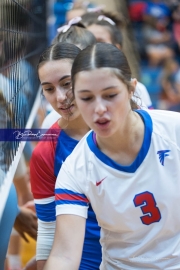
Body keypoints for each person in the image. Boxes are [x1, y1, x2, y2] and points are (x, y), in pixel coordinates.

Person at [44, 43, 180, 270]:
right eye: (86, 98)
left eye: (110, 95)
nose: (99, 109)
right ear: (75, 99)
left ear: (131, 89)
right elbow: (64, 256)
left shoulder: (173, 131)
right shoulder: (75, 169)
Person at [30, 41, 102, 270]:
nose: (60, 97)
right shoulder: (45, 152)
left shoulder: (125, 128)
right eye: (49, 89)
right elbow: (48, 230)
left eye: (66, 84)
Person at [81, 12, 153, 109]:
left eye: (100, 42)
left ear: (117, 48)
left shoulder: (139, 89)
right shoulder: (71, 93)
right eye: (87, 42)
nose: (93, 48)